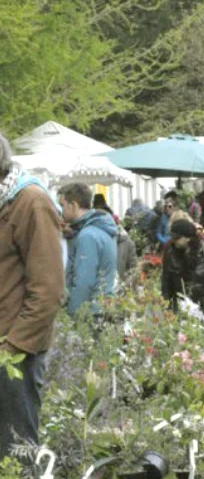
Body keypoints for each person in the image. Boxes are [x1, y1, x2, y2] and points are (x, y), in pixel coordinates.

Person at [0, 133, 64, 457]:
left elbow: (48, 290)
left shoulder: (31, 202)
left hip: (15, 353)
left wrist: (11, 348)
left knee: (16, 452)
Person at [58, 182, 118, 315]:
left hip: (90, 313)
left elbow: (83, 283)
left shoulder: (87, 236)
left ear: (73, 205)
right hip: (102, 307)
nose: (61, 211)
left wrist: (72, 315)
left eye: (62, 206)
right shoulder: (100, 227)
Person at [161, 219, 204, 314]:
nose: (174, 241)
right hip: (182, 308)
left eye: (177, 238)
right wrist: (169, 306)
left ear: (188, 237)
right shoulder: (170, 252)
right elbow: (166, 281)